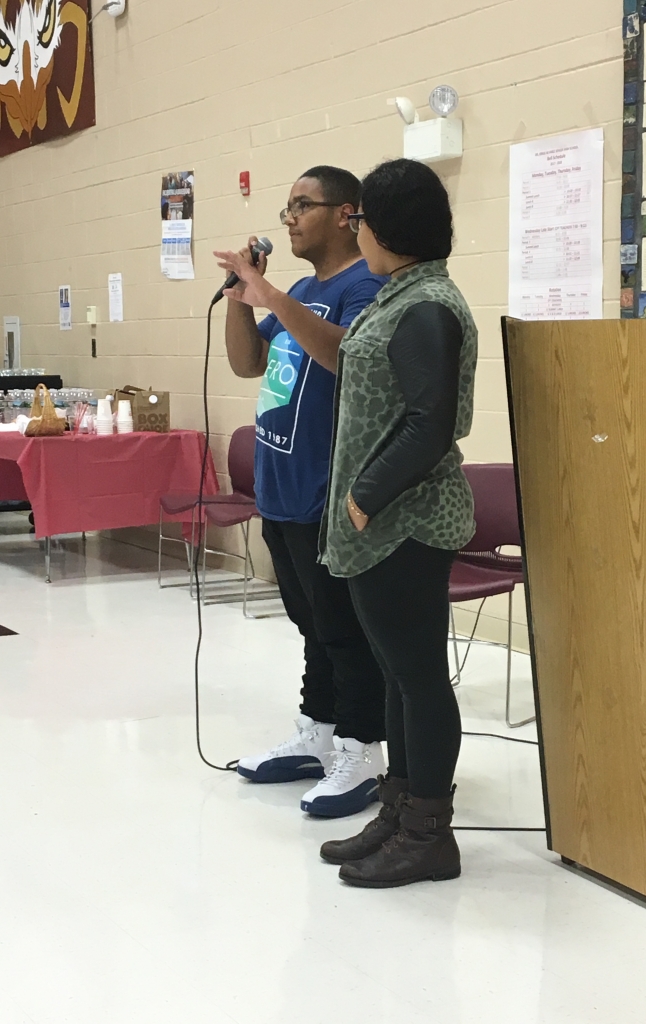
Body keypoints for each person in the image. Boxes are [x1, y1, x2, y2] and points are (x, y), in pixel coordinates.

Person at [317, 158, 478, 887]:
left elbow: (429, 423)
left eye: (359, 221)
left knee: (419, 679)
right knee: (396, 673)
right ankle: (398, 812)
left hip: (405, 524)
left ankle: (428, 836)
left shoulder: (428, 306)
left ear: (382, 229)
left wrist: (365, 497)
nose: (358, 233)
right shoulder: (399, 296)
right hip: (380, 525)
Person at [213, 166, 387, 819]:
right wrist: (240, 297)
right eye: (285, 206)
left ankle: (362, 746)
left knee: (345, 628)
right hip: (280, 483)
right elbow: (245, 363)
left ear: (347, 214)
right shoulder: (304, 289)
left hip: (327, 485)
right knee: (311, 623)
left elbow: (348, 357)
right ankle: (318, 730)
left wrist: (272, 295)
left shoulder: (362, 285)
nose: (288, 217)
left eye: (302, 205)